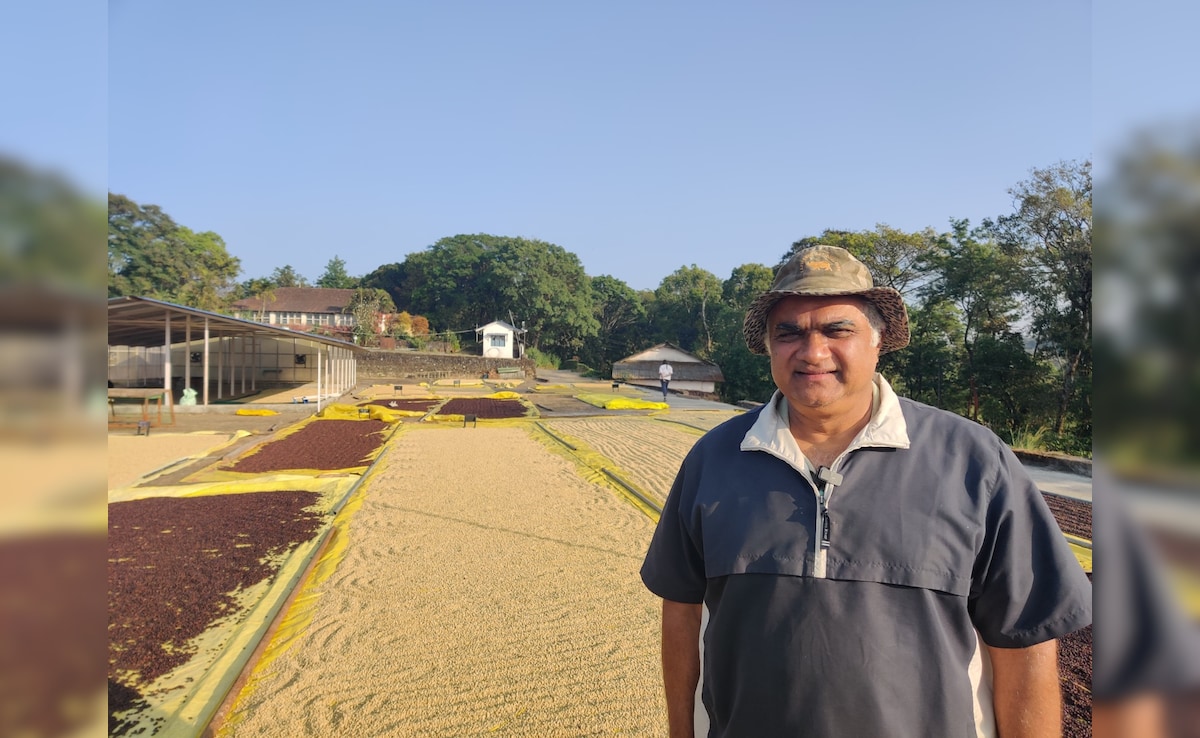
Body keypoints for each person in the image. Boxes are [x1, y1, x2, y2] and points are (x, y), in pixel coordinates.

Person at [640, 244, 1092, 737]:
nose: (812, 352)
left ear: (878, 342)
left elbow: (1025, 643)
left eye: (837, 330)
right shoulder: (715, 459)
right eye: (788, 333)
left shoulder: (972, 460)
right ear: (769, 347)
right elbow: (680, 613)